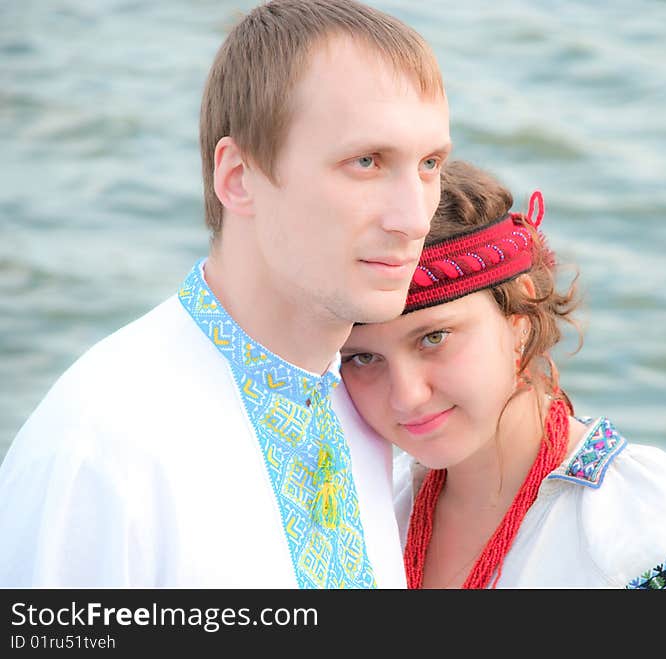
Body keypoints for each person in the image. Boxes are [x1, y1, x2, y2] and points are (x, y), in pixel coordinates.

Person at [0, 0, 450, 588]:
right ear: (238, 178)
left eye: (429, 164)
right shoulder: (101, 453)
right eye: (366, 161)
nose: (414, 218)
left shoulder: (368, 407)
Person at [340, 160, 666, 588]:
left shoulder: (642, 525)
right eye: (362, 358)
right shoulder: (373, 511)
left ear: (518, 317)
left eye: (434, 338)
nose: (406, 396)